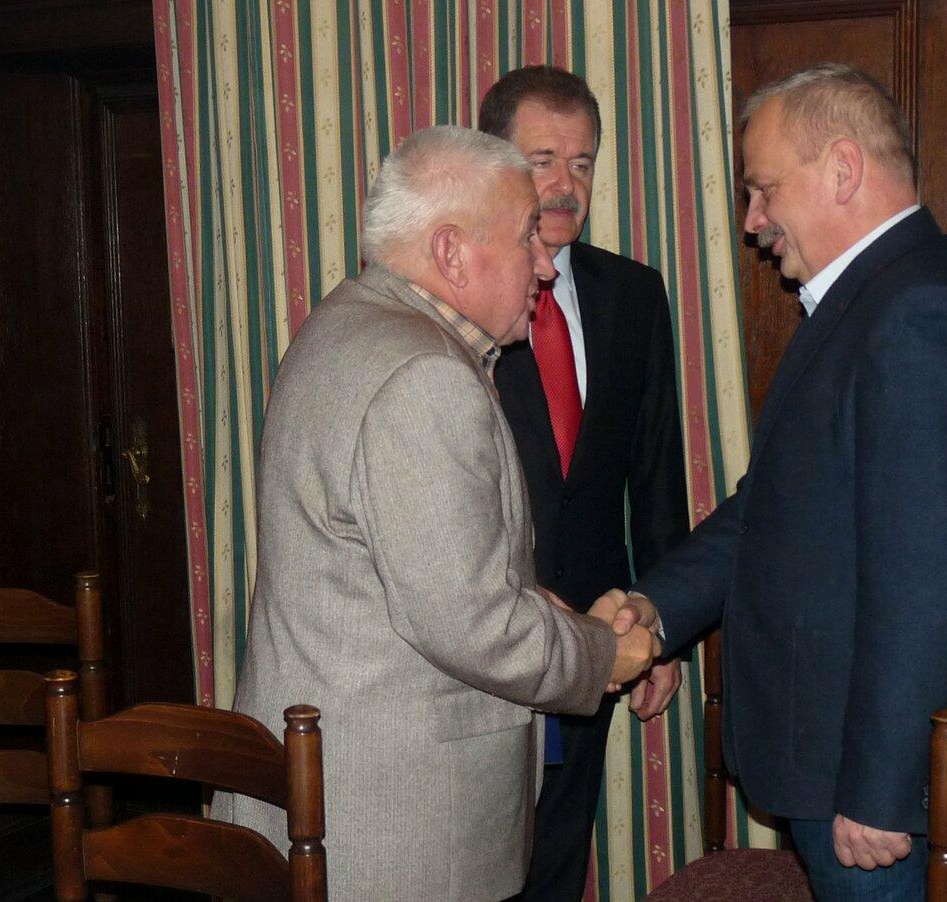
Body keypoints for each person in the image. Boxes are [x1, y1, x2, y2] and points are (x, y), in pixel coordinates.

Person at [606, 63, 947, 899]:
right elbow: (768, 511)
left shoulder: (918, 315)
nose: (752, 222)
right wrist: (655, 609)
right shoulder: (874, 301)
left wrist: (879, 789)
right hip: (841, 763)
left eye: (763, 190)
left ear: (842, 169)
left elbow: (924, 581)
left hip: (875, 785)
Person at [218, 125, 660, 901]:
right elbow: (471, 625)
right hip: (395, 828)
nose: (546, 263)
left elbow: (405, 568)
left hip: (340, 794)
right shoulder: (423, 375)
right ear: (452, 252)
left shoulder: (348, 323)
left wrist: (542, 607)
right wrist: (604, 655)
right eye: (526, 238)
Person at [477, 66, 691, 901]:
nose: (565, 185)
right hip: (486, 641)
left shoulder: (633, 294)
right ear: (496, 163)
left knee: (559, 865)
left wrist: (662, 624)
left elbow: (656, 473)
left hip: (599, 639)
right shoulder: (462, 298)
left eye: (582, 162)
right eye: (542, 160)